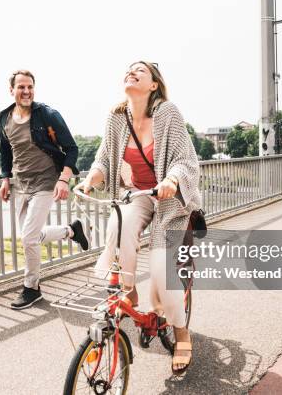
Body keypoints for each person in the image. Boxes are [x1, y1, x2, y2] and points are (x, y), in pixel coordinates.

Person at [75, 61, 201, 375]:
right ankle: (127, 290)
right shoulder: (116, 118)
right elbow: (104, 158)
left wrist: (172, 180)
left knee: (162, 274)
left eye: (140, 70)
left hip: (168, 201)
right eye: (129, 69)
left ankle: (181, 333)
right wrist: (91, 180)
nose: (131, 72)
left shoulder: (167, 113)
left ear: (154, 84)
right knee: (119, 223)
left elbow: (185, 159)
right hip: (137, 195)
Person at [0, 69, 89, 310]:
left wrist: (63, 179)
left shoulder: (47, 115)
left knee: (28, 237)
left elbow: (71, 148)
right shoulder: (4, 118)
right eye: (21, 87)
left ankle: (32, 288)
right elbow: (6, 152)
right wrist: (5, 178)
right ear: (12, 90)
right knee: (31, 236)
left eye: (30, 87)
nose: (26, 91)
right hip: (21, 184)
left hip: (46, 181)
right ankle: (71, 231)